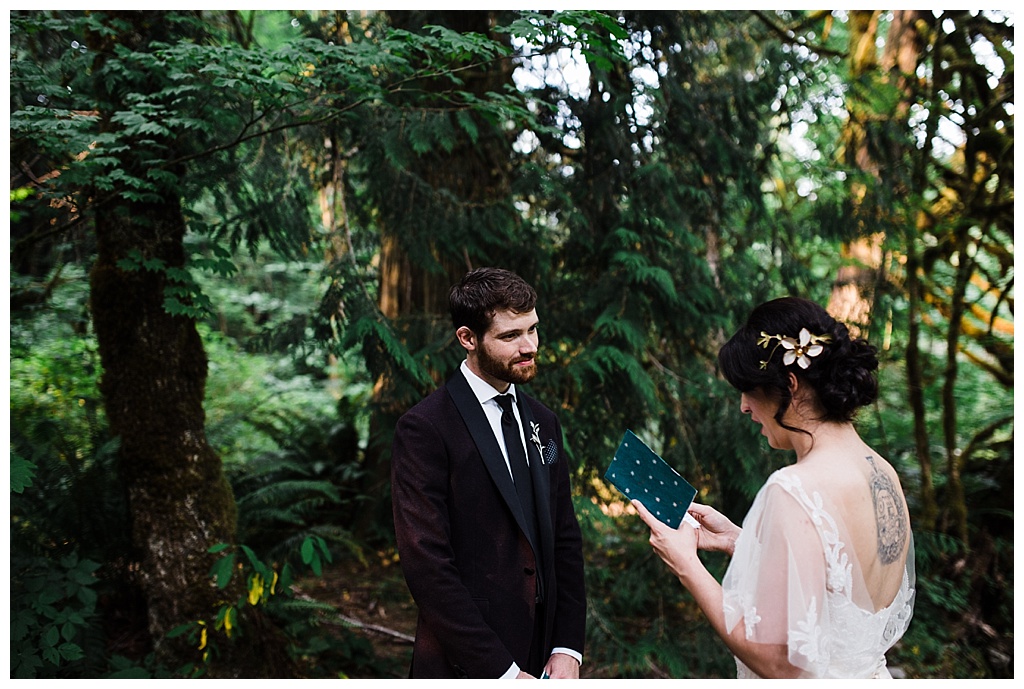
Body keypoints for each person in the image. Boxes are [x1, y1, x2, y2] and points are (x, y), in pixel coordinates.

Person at [634, 296, 915, 679]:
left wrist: (686, 564)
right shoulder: (882, 472)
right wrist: (743, 542)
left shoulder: (793, 489)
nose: (744, 407)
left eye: (749, 390)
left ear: (790, 385)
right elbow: (844, 590)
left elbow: (779, 663)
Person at [391, 267, 586, 679]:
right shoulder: (426, 428)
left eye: (533, 329)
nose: (530, 346)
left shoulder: (544, 422)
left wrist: (567, 646)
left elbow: (564, 538)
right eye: (510, 336)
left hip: (546, 656)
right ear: (468, 339)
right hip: (466, 663)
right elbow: (427, 565)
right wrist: (502, 673)